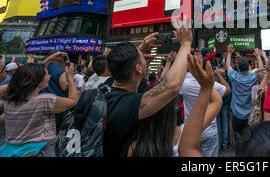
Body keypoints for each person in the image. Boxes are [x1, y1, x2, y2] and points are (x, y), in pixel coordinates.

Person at [77, 21, 192, 157]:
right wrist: (186, 44)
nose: (145, 61)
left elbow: (124, 64)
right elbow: (171, 86)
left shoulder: (103, 89)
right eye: (143, 59)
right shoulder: (129, 104)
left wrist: (141, 48)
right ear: (138, 69)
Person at [0, 61, 79, 157]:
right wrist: (70, 78)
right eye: (47, 74)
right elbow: (73, 100)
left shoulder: (10, 100)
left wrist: (50, 59)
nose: (50, 76)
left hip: (10, 151)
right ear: (38, 80)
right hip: (37, 151)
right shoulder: (44, 100)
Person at [180, 55, 226, 157]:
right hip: (209, 132)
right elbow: (225, 91)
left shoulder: (184, 83)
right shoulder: (214, 85)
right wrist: (210, 83)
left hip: (189, 132)